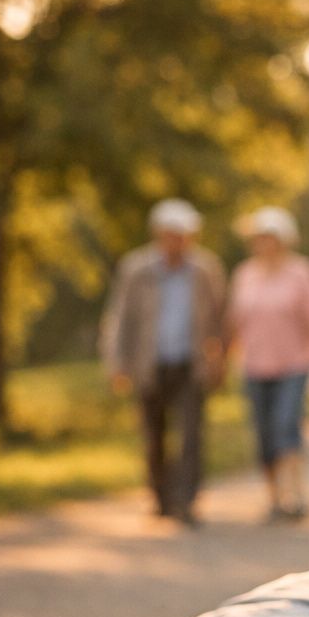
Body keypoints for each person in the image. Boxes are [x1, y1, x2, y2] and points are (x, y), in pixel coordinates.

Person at [100, 198, 227, 526]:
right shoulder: (137, 269)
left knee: (190, 435)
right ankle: (161, 497)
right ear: (159, 234)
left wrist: (220, 358)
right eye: (174, 235)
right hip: (150, 363)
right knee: (154, 435)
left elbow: (219, 317)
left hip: (190, 363)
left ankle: (187, 501)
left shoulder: (205, 269)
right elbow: (120, 317)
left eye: (186, 235)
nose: (180, 242)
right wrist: (117, 362)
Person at [227, 206, 309, 522]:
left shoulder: (302, 271)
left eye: (270, 237)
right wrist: (224, 359)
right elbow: (235, 322)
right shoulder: (244, 274)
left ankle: (294, 496)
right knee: (264, 435)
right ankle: (273, 498)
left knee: (287, 426)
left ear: (284, 240)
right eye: (260, 238)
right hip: (255, 365)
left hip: (294, 364)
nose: (265, 244)